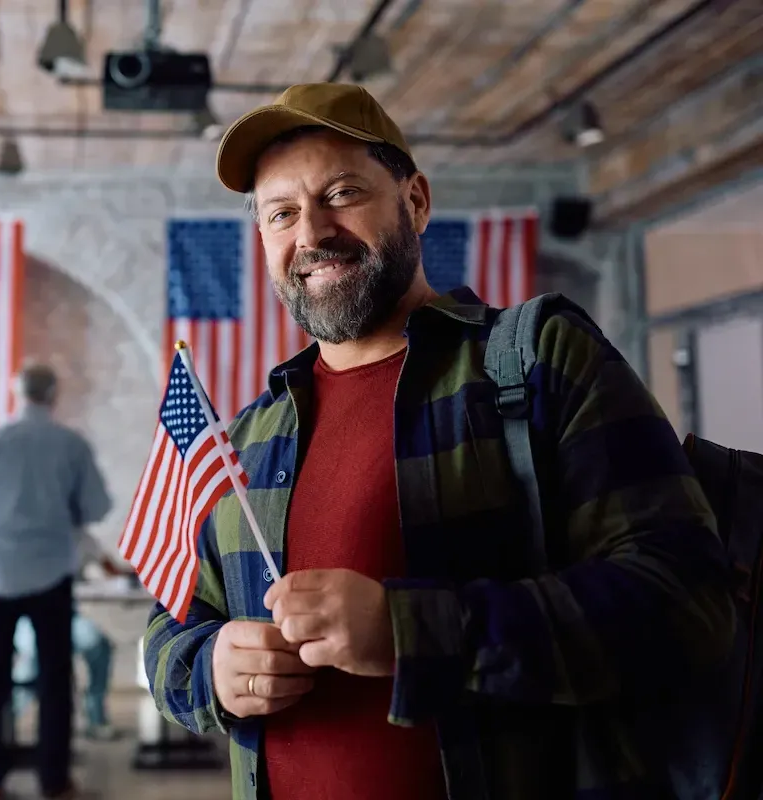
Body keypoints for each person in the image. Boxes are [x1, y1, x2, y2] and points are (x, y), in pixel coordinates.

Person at [141, 82, 734, 799]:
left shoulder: (536, 360)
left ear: (415, 202)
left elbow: (687, 600)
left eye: (340, 193)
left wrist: (413, 632)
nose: (312, 233)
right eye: (282, 213)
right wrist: (210, 670)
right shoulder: (247, 439)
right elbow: (169, 629)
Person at [0, 363, 112, 800]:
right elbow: (96, 507)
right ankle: (54, 778)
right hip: (51, 575)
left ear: (16, 393)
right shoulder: (71, 445)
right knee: (55, 680)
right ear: (52, 395)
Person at [11, 536, 125, 742]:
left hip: (67, 617)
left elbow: (111, 569)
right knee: (36, 658)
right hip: (25, 619)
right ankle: (8, 721)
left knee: (98, 644)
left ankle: (95, 715)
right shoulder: (25, 535)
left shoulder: (81, 536)